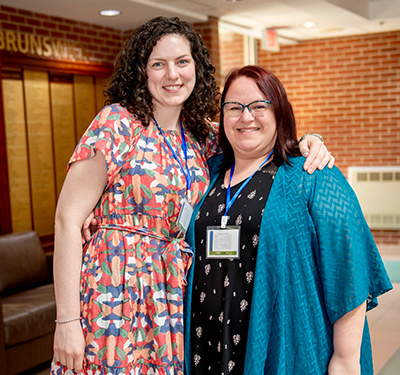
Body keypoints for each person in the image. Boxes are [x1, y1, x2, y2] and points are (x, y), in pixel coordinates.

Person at [51, 17, 332, 375]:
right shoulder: (116, 123)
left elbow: (255, 135)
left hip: (172, 294)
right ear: (142, 71)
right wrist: (67, 320)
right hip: (114, 287)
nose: (173, 74)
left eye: (182, 61)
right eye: (158, 64)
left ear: (196, 67)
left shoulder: (202, 135)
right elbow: (68, 219)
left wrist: (310, 139)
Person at [184, 66, 393, 375]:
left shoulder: (311, 174)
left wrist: (346, 359)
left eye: (259, 106)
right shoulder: (207, 172)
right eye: (234, 107)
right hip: (207, 344)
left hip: (284, 345)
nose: (246, 117)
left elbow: (349, 266)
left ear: (279, 111)